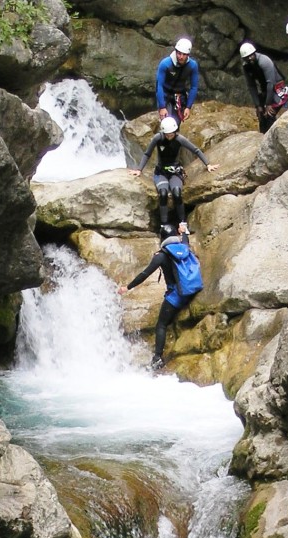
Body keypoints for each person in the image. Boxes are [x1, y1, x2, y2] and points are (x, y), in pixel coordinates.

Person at [117, 227, 200, 370]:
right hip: (191, 289)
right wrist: (184, 232)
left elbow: (144, 274)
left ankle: (157, 358)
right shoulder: (183, 247)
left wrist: (127, 287)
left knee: (161, 325)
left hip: (177, 296)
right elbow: (185, 239)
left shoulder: (161, 256)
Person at [129, 117, 219, 233]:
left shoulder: (179, 139)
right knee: (163, 193)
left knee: (176, 192)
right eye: (167, 134)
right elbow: (147, 154)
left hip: (175, 172)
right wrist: (139, 170)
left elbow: (195, 150)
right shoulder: (158, 138)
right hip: (161, 172)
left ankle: (183, 223)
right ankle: (164, 226)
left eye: (171, 134)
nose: (169, 136)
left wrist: (208, 165)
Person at [239, 41, 288, 133]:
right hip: (266, 90)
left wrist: (268, 104)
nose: (250, 59)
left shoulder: (264, 61)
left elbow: (271, 83)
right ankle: (262, 136)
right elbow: (251, 86)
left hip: (278, 88)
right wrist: (258, 105)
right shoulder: (246, 66)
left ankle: (273, 137)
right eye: (247, 58)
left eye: (251, 56)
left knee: (269, 114)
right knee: (261, 115)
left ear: (254, 53)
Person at [155, 37, 200, 124]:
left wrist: (188, 107)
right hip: (165, 94)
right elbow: (159, 85)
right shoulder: (165, 64)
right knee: (167, 123)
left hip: (179, 95)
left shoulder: (192, 66)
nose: (181, 57)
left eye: (184, 54)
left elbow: (194, 87)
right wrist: (162, 107)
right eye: (179, 53)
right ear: (175, 52)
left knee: (176, 123)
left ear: (188, 55)